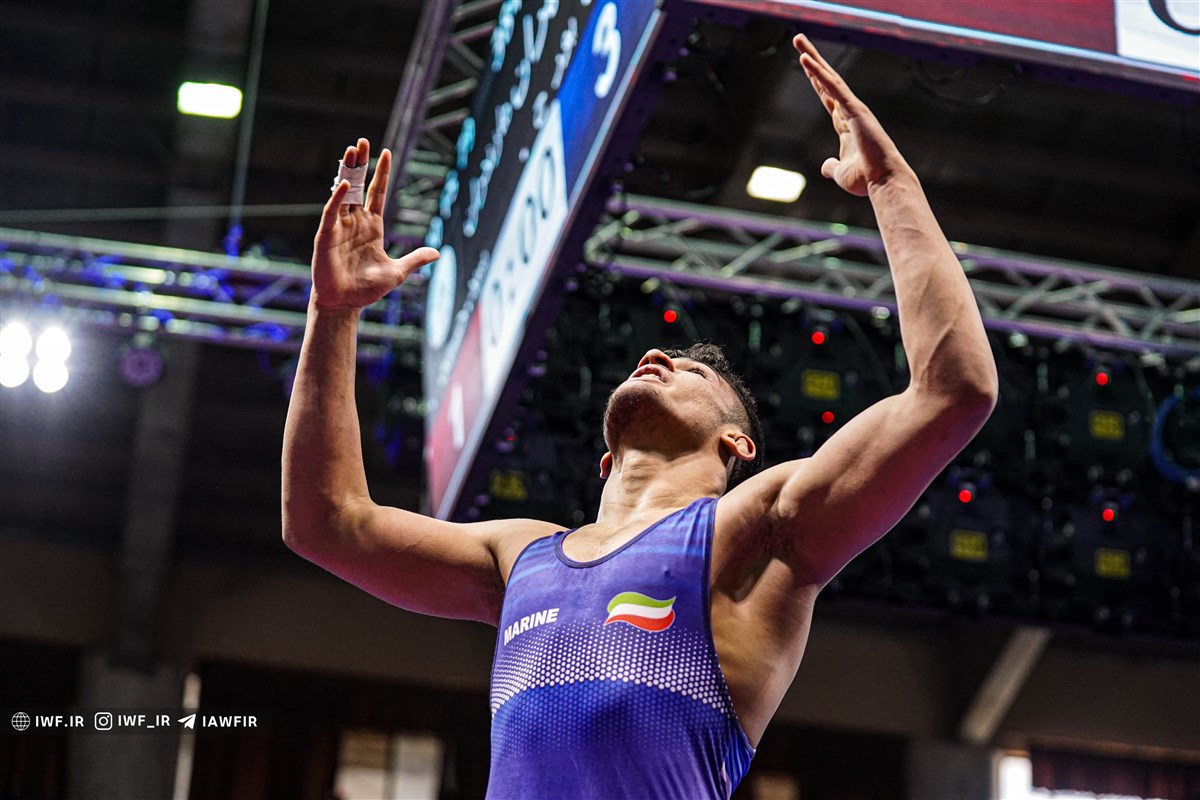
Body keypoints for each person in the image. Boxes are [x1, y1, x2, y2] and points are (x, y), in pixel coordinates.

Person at [283, 34, 997, 799]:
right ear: (605, 459)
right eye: (657, 358)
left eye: (693, 371)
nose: (657, 355)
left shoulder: (756, 533)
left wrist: (889, 183)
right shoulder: (520, 556)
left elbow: (953, 391)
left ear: (736, 444)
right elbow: (326, 522)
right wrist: (333, 313)